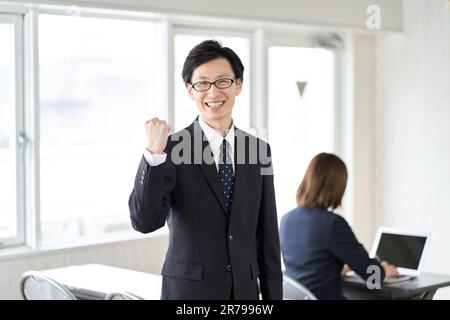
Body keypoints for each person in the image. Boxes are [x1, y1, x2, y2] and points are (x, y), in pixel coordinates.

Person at [128, 40, 282, 300]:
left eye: (223, 81)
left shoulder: (258, 150)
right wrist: (154, 155)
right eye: (202, 84)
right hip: (190, 295)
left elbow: (267, 238)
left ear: (238, 85)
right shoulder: (172, 148)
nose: (213, 93)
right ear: (190, 90)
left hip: (243, 294)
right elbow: (144, 221)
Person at [279, 153, 398, 299]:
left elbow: (306, 266)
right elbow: (371, 275)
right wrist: (383, 271)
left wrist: (336, 267)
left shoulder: (286, 220)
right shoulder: (333, 224)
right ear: (336, 186)